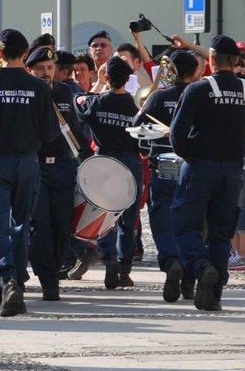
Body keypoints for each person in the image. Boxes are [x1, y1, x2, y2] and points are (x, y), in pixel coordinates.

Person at [0, 29, 58, 318]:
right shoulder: (41, 88)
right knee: (21, 223)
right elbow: (49, 132)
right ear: (24, 54)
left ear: (0, 53)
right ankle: (17, 278)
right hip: (29, 161)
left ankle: (6, 279)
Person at [168, 35, 245, 311]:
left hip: (200, 166)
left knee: (185, 225)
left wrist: (191, 153)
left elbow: (176, 135)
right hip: (232, 171)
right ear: (237, 61)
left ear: (212, 60)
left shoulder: (197, 90)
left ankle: (201, 266)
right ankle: (215, 293)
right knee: (221, 232)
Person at [133, 50, 201, 296]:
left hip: (163, 167)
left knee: (162, 222)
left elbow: (137, 130)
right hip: (194, 166)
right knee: (192, 223)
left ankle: (171, 262)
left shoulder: (158, 98)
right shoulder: (200, 94)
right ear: (194, 72)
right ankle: (189, 279)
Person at [77, 56, 144, 290]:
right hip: (129, 163)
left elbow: (79, 101)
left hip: (103, 161)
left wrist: (100, 80)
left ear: (106, 77)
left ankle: (109, 258)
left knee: (104, 214)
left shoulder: (96, 102)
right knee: (128, 219)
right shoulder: (136, 106)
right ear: (128, 79)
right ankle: (124, 269)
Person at [30, 45, 89, 302]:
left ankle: (54, 268)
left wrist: (87, 155)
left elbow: (74, 127)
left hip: (64, 166)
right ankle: (48, 280)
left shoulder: (64, 91)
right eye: (41, 69)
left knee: (62, 224)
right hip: (38, 165)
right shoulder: (30, 92)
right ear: (30, 70)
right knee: (41, 225)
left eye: (50, 68)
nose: (46, 73)